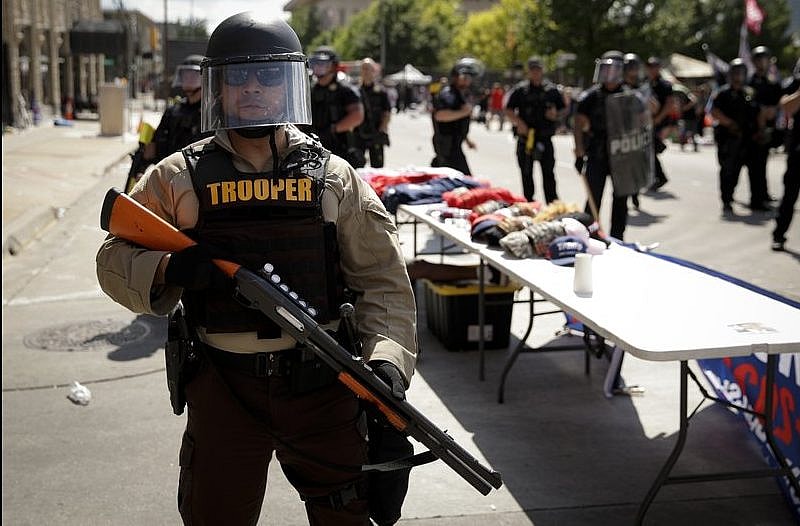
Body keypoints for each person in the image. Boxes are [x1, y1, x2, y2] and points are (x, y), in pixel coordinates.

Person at [96, 12, 417, 526]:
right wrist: (170, 268)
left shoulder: (334, 178)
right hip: (224, 389)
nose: (253, 88)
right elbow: (112, 258)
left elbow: (384, 282)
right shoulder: (178, 177)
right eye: (238, 76)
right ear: (217, 88)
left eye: (268, 75)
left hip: (324, 387)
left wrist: (387, 365)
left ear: (289, 84)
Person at [128, 55, 211, 187]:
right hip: (170, 180)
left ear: (205, 79)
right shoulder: (173, 111)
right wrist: (141, 170)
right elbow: (154, 147)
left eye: (193, 76)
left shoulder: (212, 114)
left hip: (199, 182)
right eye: (185, 76)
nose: (188, 80)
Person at [573, 51, 631, 240]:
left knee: (621, 199)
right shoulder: (590, 97)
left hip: (621, 155)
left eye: (613, 70)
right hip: (597, 153)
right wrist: (579, 153)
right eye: (606, 69)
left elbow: (641, 123)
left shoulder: (629, 96)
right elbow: (578, 124)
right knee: (593, 197)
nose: (609, 74)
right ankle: (588, 235)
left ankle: (617, 238)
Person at [504, 56, 565, 203]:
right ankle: (529, 203)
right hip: (526, 139)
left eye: (538, 69)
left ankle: (552, 204)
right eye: (533, 69)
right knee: (526, 173)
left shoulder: (551, 90)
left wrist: (555, 114)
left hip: (545, 138)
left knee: (548, 173)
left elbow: (563, 109)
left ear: (542, 70)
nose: (536, 72)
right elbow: (508, 110)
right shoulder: (521, 90)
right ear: (529, 71)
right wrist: (519, 123)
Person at [710, 58, 761, 215]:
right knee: (727, 171)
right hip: (728, 139)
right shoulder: (722, 93)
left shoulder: (749, 93)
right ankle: (727, 200)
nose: (738, 76)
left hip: (746, 139)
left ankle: (753, 199)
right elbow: (714, 111)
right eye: (736, 73)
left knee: (739, 171)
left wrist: (759, 130)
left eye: (741, 73)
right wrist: (730, 124)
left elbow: (757, 113)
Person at [308, 45, 365, 167]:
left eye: (322, 64)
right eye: (315, 63)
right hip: (314, 148)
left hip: (341, 148)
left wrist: (333, 129)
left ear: (334, 66)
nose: (318, 67)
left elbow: (357, 116)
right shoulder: (310, 89)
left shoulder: (345, 89)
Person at [430, 58, 483, 175]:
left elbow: (457, 123)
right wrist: (464, 112)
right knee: (463, 179)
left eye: (470, 78)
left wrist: (467, 140)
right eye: (465, 77)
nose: (468, 81)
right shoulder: (448, 94)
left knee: (445, 176)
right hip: (447, 146)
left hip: (454, 144)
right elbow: (440, 115)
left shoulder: (459, 94)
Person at [748, 45, 783, 211]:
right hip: (753, 130)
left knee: (762, 163)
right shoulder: (749, 83)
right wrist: (760, 112)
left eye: (764, 60)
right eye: (759, 60)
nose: (762, 63)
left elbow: (780, 101)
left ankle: (763, 194)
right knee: (755, 165)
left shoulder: (772, 83)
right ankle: (756, 200)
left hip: (768, 130)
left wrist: (773, 110)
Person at [772, 59, 800, 251]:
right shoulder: (794, 84)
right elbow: (787, 107)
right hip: (798, 152)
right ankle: (779, 235)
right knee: (789, 196)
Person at [354, 58, 392, 168]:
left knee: (377, 167)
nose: (365, 71)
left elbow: (387, 112)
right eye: (363, 69)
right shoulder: (355, 91)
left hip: (376, 133)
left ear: (374, 71)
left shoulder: (381, 91)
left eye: (368, 68)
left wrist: (382, 129)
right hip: (359, 133)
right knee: (357, 165)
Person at [645, 56, 674, 191]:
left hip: (658, 122)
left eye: (655, 66)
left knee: (650, 149)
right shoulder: (645, 83)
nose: (652, 69)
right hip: (645, 122)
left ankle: (660, 177)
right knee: (647, 150)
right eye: (650, 66)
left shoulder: (664, 85)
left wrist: (658, 119)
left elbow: (669, 104)